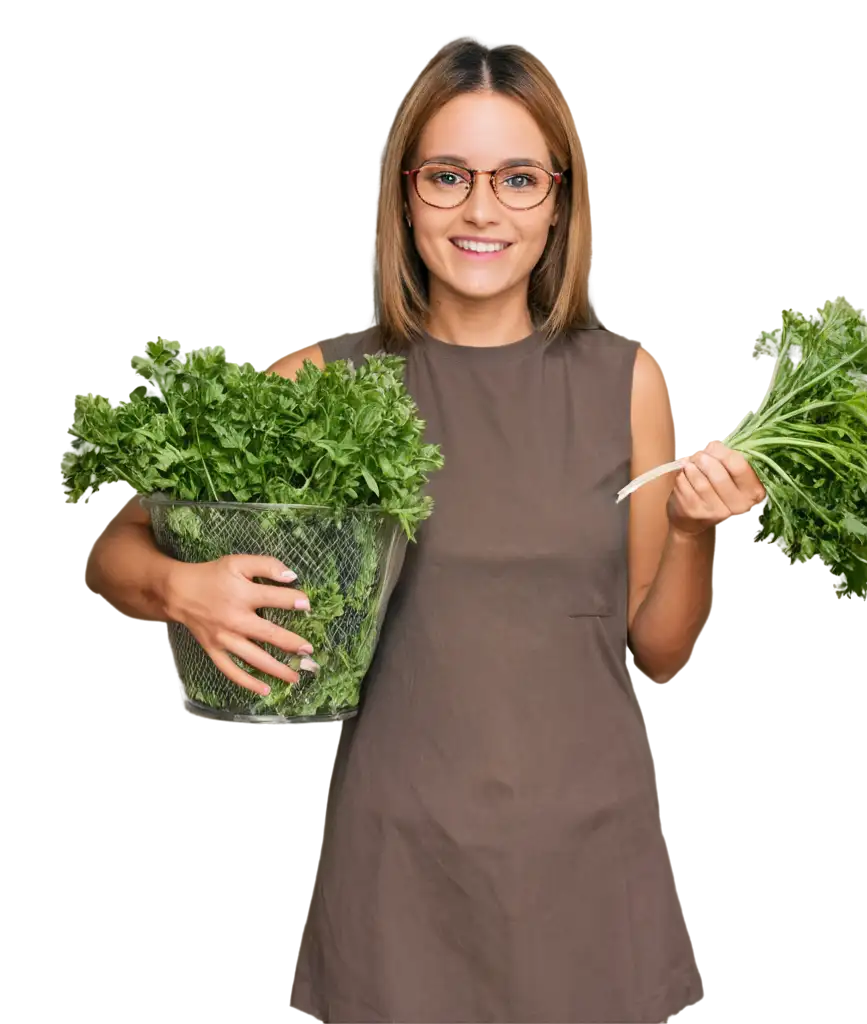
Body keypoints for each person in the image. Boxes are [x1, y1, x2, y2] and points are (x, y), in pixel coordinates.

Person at [82, 37, 765, 1024]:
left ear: (558, 200)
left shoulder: (627, 384)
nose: (482, 210)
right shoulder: (324, 382)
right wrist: (181, 588)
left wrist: (699, 534)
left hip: (594, 878)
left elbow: (649, 647)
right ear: (407, 195)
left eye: (517, 178)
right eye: (449, 176)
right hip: (400, 883)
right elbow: (115, 548)